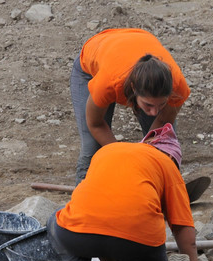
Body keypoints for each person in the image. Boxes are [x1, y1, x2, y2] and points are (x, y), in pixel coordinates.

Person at [47, 123, 197, 261]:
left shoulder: (107, 151)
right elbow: (183, 231)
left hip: (78, 234)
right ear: (172, 157)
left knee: (55, 220)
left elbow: (103, 219)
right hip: (138, 243)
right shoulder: (167, 164)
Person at [71, 28, 190, 184]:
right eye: (148, 105)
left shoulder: (177, 85)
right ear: (134, 89)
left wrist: (148, 154)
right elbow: (96, 124)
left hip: (134, 41)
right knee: (93, 148)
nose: (154, 112)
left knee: (162, 147)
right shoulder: (108, 83)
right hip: (95, 56)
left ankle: (166, 189)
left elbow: (161, 124)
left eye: (161, 104)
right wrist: (125, 157)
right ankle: (84, 190)